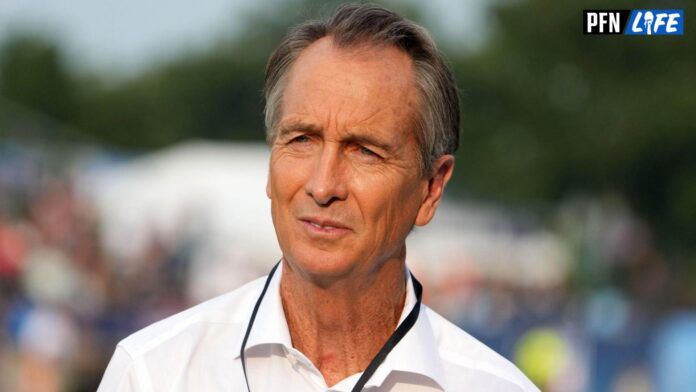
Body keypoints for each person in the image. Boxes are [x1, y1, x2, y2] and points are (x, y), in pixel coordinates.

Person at [98, 4, 539, 391]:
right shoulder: (156, 373)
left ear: (432, 188)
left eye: (365, 150)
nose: (323, 185)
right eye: (302, 140)